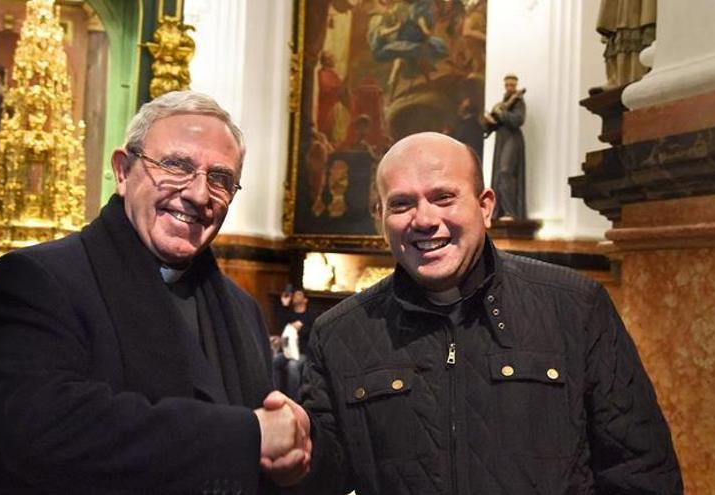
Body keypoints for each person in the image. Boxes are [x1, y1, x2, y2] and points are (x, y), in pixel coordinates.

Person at [293, 132, 683, 494]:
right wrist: (289, 452)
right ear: (381, 218)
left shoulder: (575, 307)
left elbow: (640, 471)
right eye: (401, 203)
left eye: (444, 197)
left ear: (485, 206)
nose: (425, 220)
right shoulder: (339, 333)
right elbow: (322, 475)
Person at [0, 91, 310, 494]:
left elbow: (269, 451)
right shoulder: (35, 280)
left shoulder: (242, 309)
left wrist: (292, 458)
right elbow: (46, 431)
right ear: (123, 171)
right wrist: (248, 436)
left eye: (220, 179)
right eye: (176, 165)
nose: (199, 195)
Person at [484, 73, 527, 220]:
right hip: (502, 138)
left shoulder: (519, 101)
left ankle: (511, 211)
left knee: (505, 171)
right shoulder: (502, 103)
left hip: (513, 138)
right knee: (498, 174)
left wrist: (501, 114)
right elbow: (493, 125)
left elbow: (518, 120)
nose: (510, 88)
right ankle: (500, 211)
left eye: (512, 85)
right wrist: (489, 120)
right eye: (507, 85)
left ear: (516, 86)